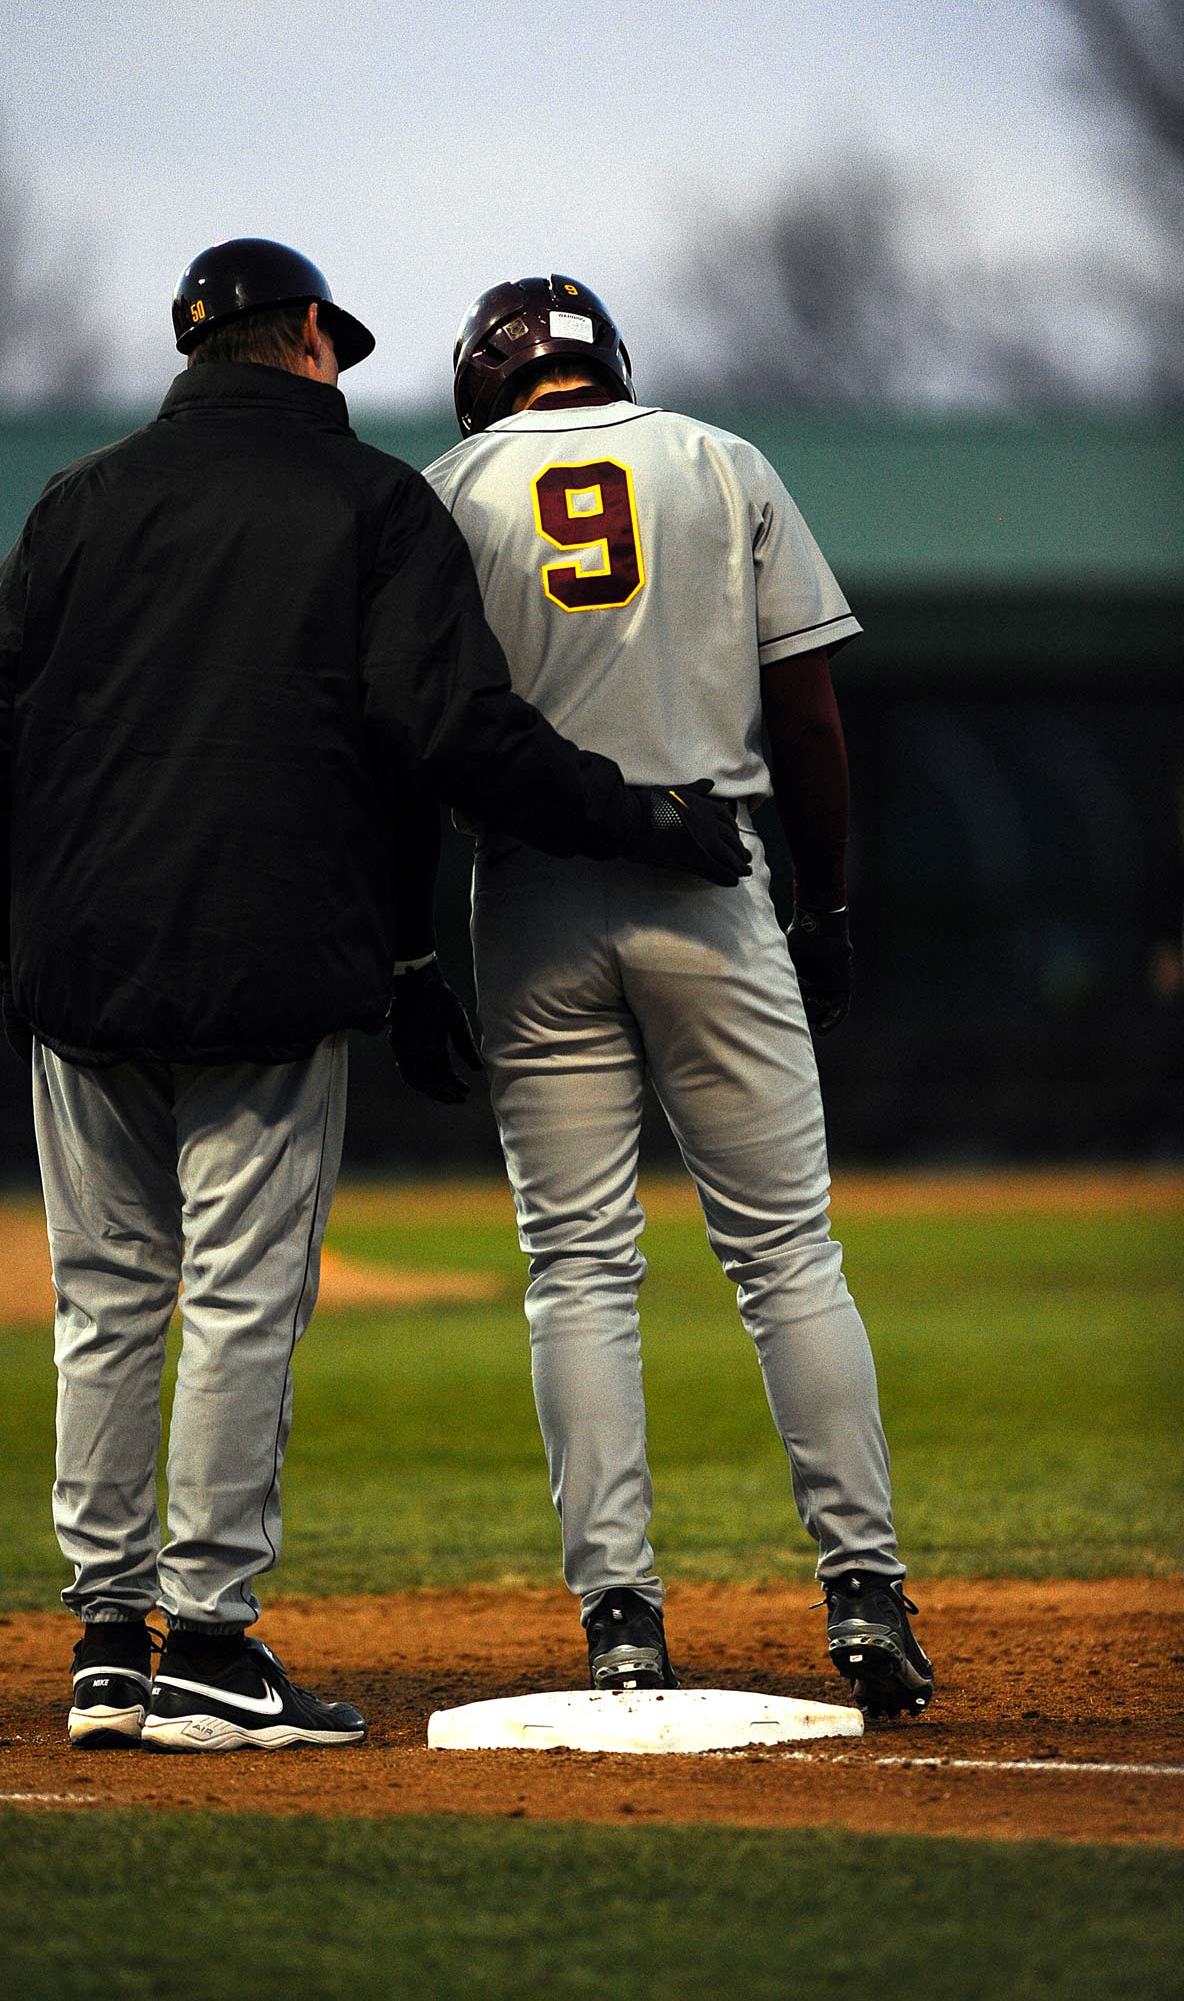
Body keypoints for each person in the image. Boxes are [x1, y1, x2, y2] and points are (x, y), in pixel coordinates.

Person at [0, 239, 750, 1755]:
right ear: (307, 336)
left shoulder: (79, 504)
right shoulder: (370, 503)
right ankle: (215, 1649)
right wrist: (647, 822)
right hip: (271, 953)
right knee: (240, 1298)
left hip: (81, 966)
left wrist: (22, 940)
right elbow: (454, 738)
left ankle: (107, 1642)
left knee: (104, 1301)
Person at [421, 274, 934, 1717]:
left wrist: (406, 954)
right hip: (714, 877)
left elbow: (414, 737)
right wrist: (824, 904)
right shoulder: (723, 460)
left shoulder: (445, 491)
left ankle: (622, 1619)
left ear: (482, 379)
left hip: (529, 895)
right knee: (789, 1258)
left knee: (579, 1267)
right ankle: (863, 1595)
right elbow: (812, 713)